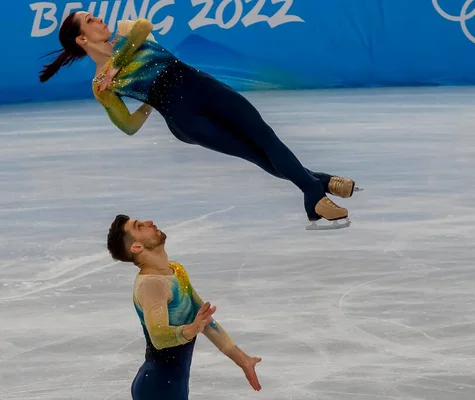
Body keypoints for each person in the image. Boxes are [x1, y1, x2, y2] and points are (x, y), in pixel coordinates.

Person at [40, 12, 361, 230]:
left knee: (265, 138)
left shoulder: (126, 34)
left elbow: (143, 25)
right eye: (90, 21)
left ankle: (318, 186)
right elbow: (128, 125)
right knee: (254, 153)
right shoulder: (101, 86)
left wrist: (117, 65)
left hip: (206, 87)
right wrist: (149, 102)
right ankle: (315, 192)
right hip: (185, 120)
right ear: (82, 39)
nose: (99, 19)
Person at [106, 214, 262, 399]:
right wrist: (191, 329)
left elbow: (205, 319)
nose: (149, 222)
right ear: (137, 247)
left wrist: (242, 359)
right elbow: (159, 338)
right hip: (158, 388)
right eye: (139, 227)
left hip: (172, 385)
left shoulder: (175, 271)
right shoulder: (152, 284)